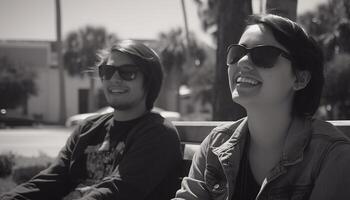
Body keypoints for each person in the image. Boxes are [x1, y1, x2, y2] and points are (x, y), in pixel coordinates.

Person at [175, 14, 350, 200]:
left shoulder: (332, 156)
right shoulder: (214, 145)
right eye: (237, 53)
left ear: (300, 78)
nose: (242, 62)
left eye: (264, 55)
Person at [1, 40, 182, 200]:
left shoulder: (157, 133)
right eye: (108, 71)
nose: (115, 79)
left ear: (149, 81)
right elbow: (52, 180)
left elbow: (118, 190)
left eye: (128, 72)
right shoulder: (88, 128)